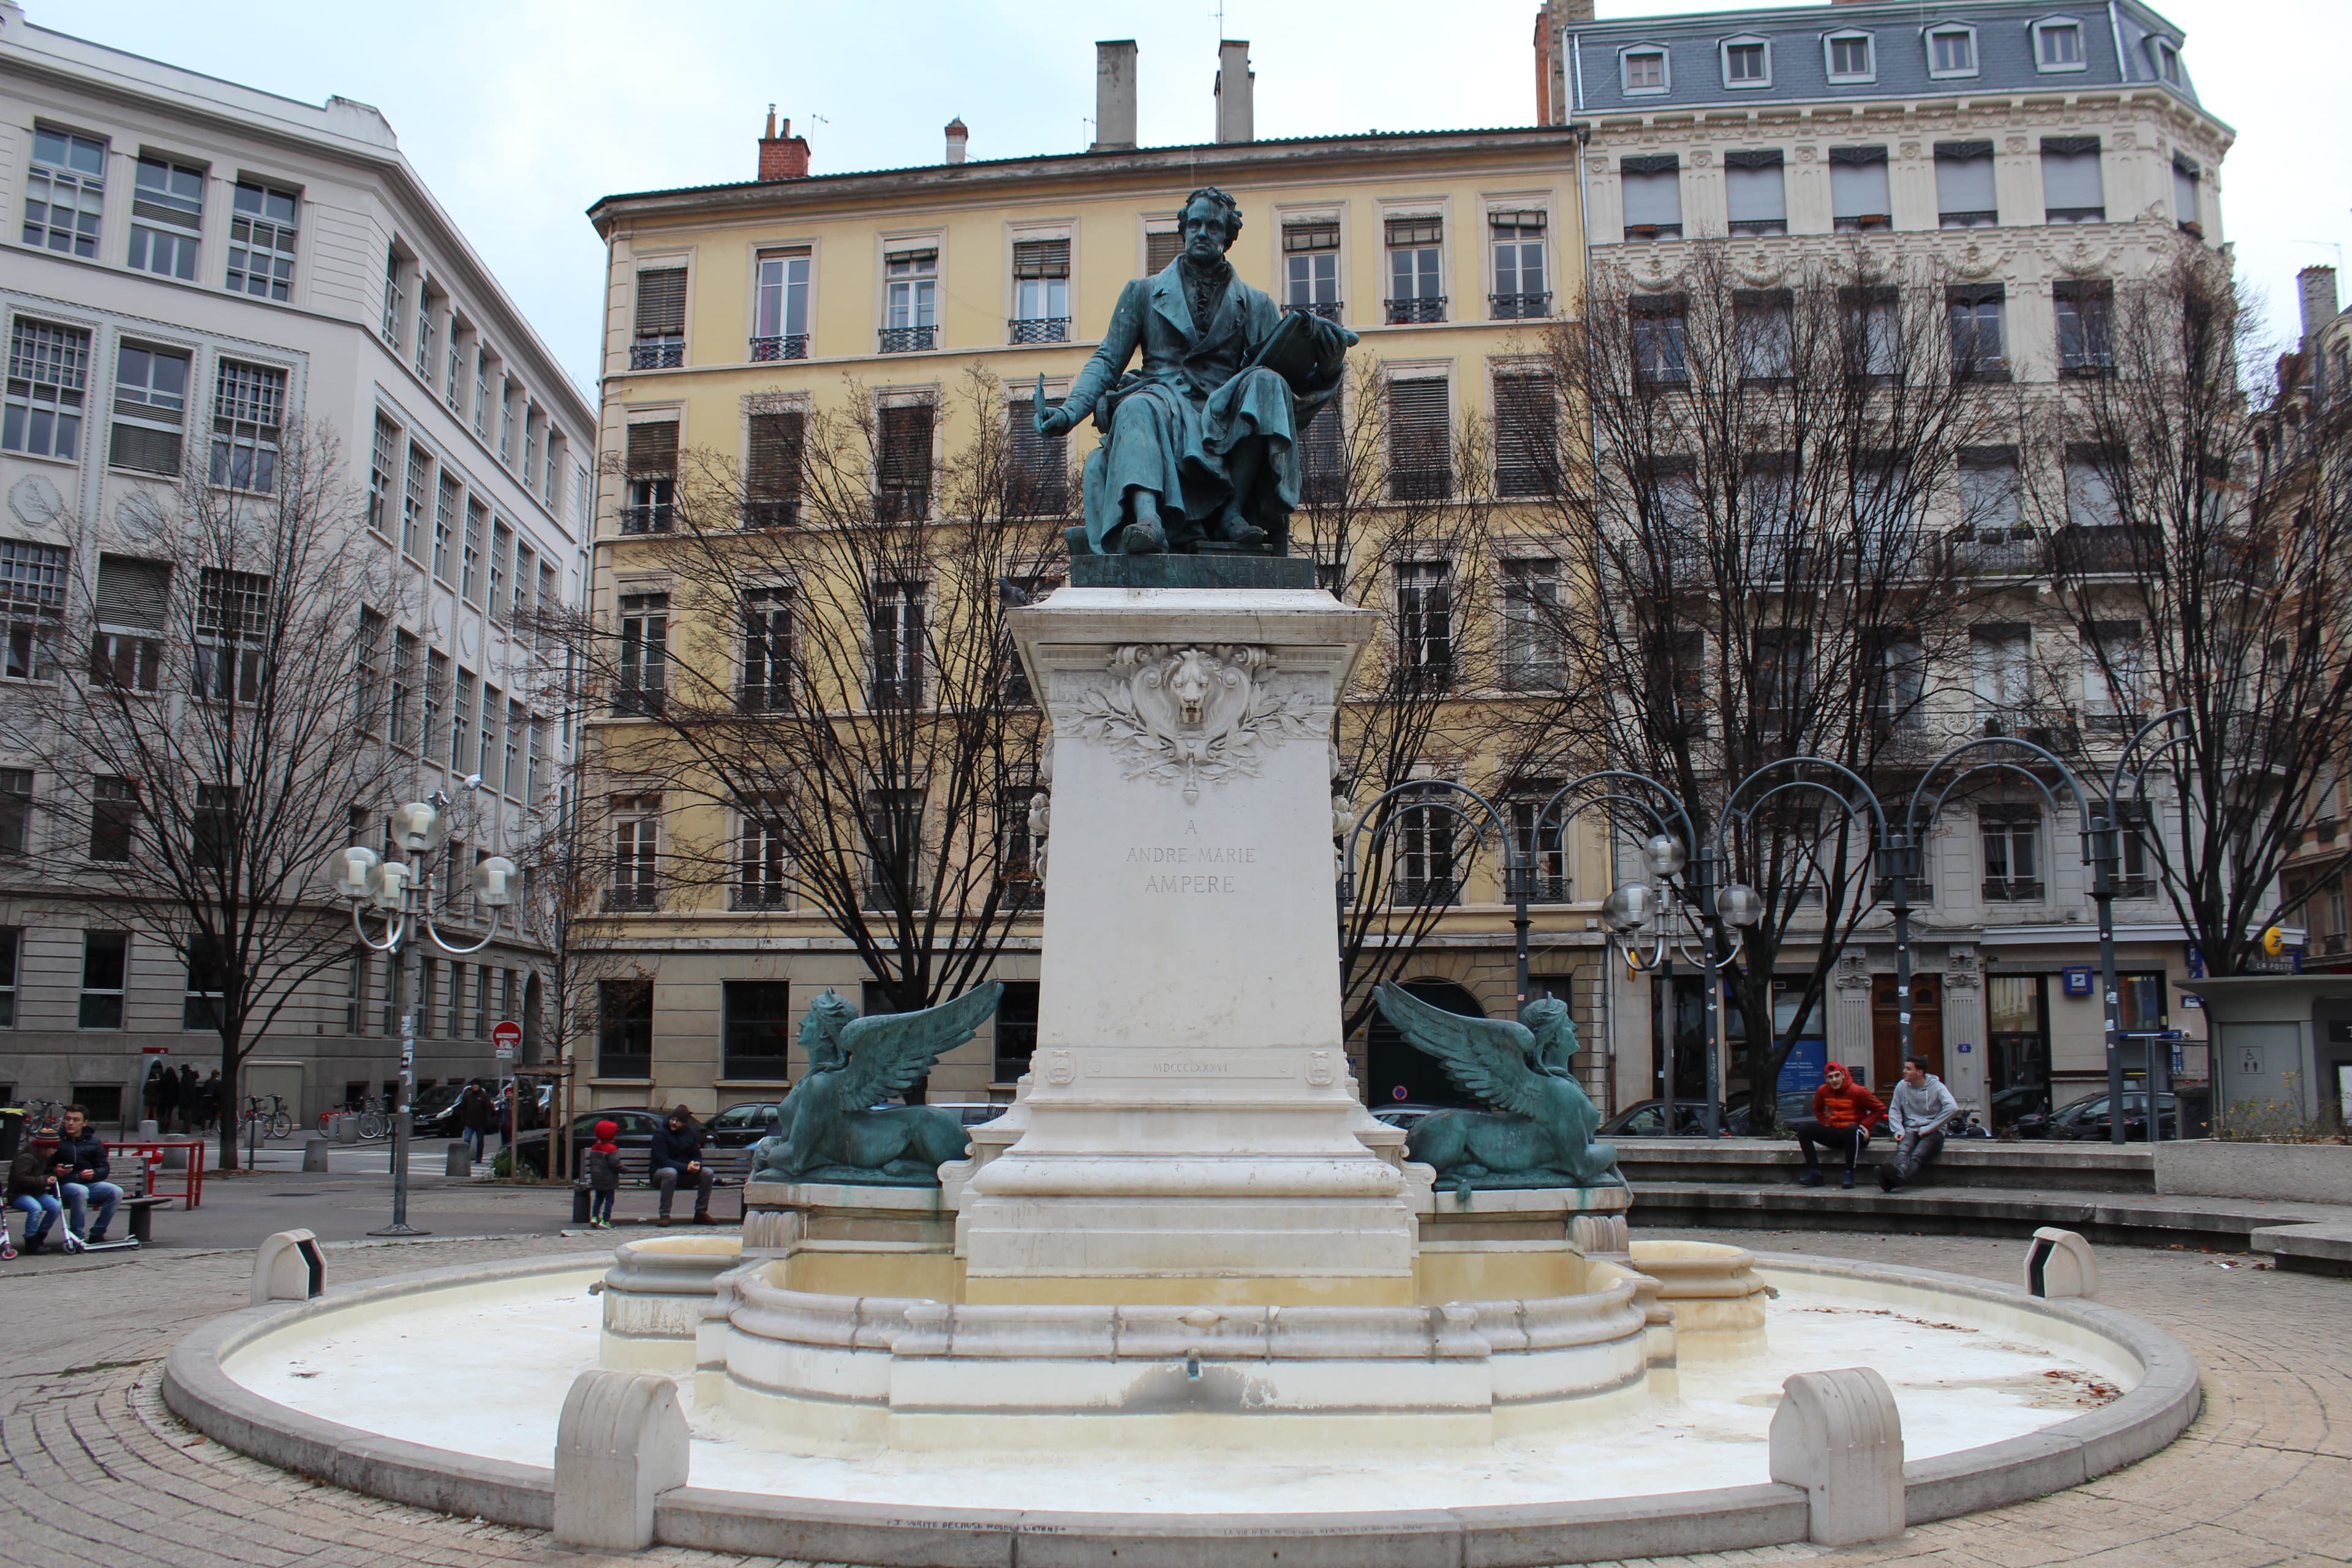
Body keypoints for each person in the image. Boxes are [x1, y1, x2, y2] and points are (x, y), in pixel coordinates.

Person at [1039, 185, 1354, 556]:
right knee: (1136, 406)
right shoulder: (1142, 294)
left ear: (1228, 237)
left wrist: (1329, 367)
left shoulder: (1256, 305)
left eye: (1214, 227)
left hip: (1225, 408)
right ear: (1184, 229)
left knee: (1267, 383)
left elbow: (1289, 390)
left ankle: (1232, 510)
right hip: (1162, 398)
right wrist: (1069, 411)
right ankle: (1148, 520)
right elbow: (1108, 362)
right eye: (1196, 225)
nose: (1203, 233)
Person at [1789, 1065, 1887, 1189]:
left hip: (1856, 1135)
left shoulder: (1858, 1091)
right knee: (1804, 1129)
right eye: (1830, 1077)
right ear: (1826, 1079)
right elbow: (1817, 1109)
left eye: (1837, 1076)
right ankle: (1815, 1173)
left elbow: (1880, 1109)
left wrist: (1865, 1125)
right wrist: (1826, 1123)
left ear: (1843, 1075)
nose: (1834, 1080)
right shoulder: (1822, 1091)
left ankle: (1849, 1173)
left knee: (1852, 1129)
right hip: (1836, 1132)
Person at [1879, 1055, 1960, 1191]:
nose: (1904, 1071)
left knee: (1917, 1155)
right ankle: (1897, 1176)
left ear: (1920, 1072)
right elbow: (1894, 1109)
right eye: (1905, 1068)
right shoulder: (1902, 1086)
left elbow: (1952, 1108)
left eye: (1909, 1069)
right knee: (1903, 1149)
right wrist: (1898, 1130)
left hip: (1934, 1132)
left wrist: (1930, 1128)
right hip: (1911, 1129)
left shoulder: (1937, 1087)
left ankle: (1894, 1181)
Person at [48, 1105, 121, 1244]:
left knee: (116, 1191)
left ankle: (97, 1233)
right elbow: (44, 1167)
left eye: (76, 1120)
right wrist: (56, 1170)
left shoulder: (93, 1142)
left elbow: (104, 1168)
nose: (71, 1123)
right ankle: (77, 1235)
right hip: (64, 1185)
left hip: (89, 1183)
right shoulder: (55, 1140)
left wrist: (94, 1174)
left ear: (85, 1123)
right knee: (80, 1191)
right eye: (68, 1119)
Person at [647, 1104, 714, 1226]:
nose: (673, 1123)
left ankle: (701, 1213)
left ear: (685, 1123)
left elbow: (696, 1154)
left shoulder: (692, 1132)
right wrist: (685, 1167)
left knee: (708, 1173)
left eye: (678, 1121)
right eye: (673, 1119)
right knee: (670, 1172)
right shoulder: (661, 1133)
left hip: (685, 1174)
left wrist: (696, 1164)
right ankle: (665, 1214)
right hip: (661, 1174)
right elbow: (662, 1160)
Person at [7, 1136, 61, 1255]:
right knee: (35, 1208)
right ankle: (31, 1240)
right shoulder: (26, 1158)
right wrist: (44, 1180)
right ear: (45, 1148)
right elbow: (21, 1178)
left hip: (36, 1192)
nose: (55, 1151)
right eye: (54, 1148)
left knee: (55, 1206)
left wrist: (52, 1175)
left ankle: (40, 1236)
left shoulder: (43, 1158)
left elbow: (43, 1174)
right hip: (18, 1194)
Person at [584, 1120, 622, 1229]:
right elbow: (616, 1164)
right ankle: (606, 1220)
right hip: (609, 1180)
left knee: (598, 1198)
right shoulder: (611, 1149)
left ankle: (595, 1217)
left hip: (597, 1179)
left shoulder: (594, 1147)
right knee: (610, 1200)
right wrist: (624, 1169)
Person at [458, 1080, 493, 1161]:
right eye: (473, 1086)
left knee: (480, 1141)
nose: (474, 1087)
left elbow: (488, 1109)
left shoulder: (484, 1096)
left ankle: (479, 1157)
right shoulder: (468, 1096)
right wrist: (463, 1119)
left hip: (480, 1122)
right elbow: (463, 1107)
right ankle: (465, 1156)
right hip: (469, 1122)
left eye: (476, 1086)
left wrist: (488, 1120)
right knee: (467, 1140)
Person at [177, 1064, 200, 1133]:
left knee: (187, 1114)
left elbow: (188, 1089)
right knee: (187, 1114)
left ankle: (186, 1129)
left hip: (186, 1099)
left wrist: (185, 1098)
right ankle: (186, 1129)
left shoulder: (187, 1077)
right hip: (189, 1098)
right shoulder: (190, 1076)